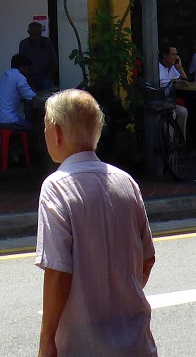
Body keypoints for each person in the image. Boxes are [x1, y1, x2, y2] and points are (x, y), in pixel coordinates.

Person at [35, 89, 156, 357]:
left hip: (82, 345)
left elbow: (57, 272)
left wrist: (46, 340)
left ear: (56, 132)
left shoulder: (56, 187)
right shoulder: (126, 182)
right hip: (136, 341)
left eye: (44, 126)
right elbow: (147, 259)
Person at [155, 43, 189, 140]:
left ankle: (181, 141)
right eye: (172, 54)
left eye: (176, 54)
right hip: (159, 102)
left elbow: (186, 84)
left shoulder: (173, 68)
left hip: (170, 102)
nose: (175, 57)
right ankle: (169, 141)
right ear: (165, 56)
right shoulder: (158, 68)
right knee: (172, 114)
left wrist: (180, 68)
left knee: (183, 111)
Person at [18, 21, 58, 92]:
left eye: (38, 34)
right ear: (28, 32)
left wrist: (49, 77)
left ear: (41, 32)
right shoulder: (24, 44)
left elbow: (53, 61)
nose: (36, 37)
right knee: (30, 99)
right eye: (34, 35)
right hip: (30, 78)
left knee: (46, 99)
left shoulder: (47, 42)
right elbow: (21, 64)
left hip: (46, 77)